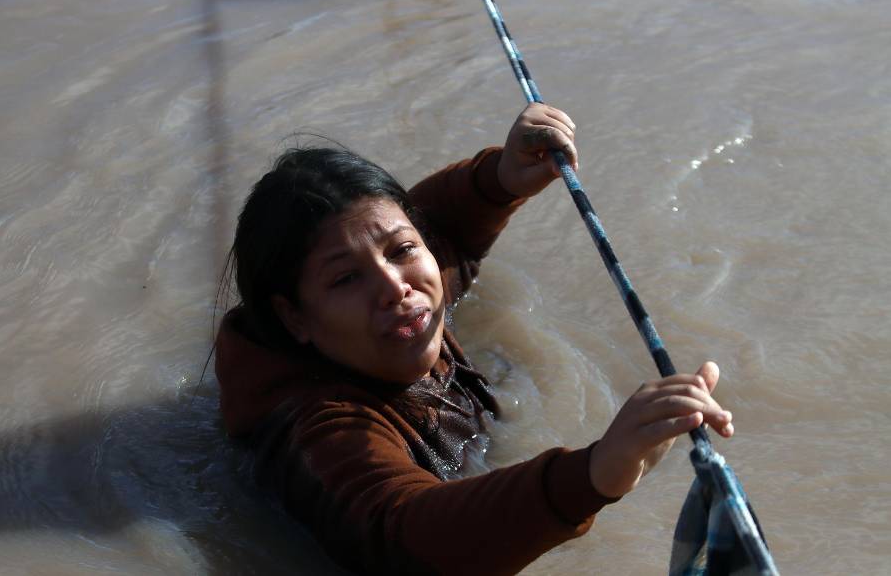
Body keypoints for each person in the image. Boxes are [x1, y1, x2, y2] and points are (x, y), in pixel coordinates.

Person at [214, 103, 734, 575]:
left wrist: (501, 178)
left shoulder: (404, 298)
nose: (397, 287)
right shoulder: (319, 429)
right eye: (346, 278)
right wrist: (594, 475)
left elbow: (443, 226)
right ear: (294, 318)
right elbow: (403, 533)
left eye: (402, 251)